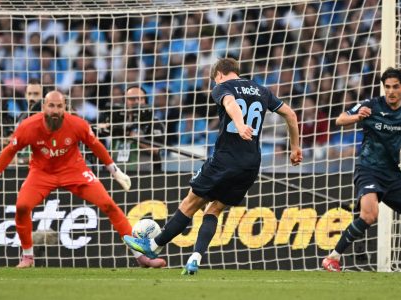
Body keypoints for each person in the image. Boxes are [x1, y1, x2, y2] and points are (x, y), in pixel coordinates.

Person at [122, 58, 302, 275]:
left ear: (219, 74)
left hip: (224, 160)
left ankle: (153, 246)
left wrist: (239, 123)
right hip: (251, 164)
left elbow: (230, 103)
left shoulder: (222, 87)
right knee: (214, 209)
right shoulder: (261, 90)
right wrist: (295, 148)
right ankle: (195, 258)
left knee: (190, 203)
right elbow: (290, 114)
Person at [0, 90, 166, 268]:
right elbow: (9, 152)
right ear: (44, 107)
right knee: (22, 207)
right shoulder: (28, 127)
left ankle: (140, 256)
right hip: (41, 173)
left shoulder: (77, 124)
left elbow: (96, 146)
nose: (55, 110)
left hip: (74, 171)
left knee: (109, 205)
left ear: (65, 107)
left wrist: (116, 172)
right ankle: (27, 256)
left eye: (59, 106)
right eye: (51, 106)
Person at [321, 67, 401, 272]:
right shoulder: (371, 105)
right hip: (368, 168)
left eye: (395, 87)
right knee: (369, 215)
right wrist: (356, 118)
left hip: (393, 173)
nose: (391, 91)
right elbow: (339, 119)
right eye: (387, 87)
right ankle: (332, 257)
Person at [101, 86, 165, 172]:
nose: (137, 102)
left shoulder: (154, 123)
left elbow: (157, 150)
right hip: (117, 173)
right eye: (132, 99)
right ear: (125, 102)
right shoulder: (115, 121)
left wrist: (133, 137)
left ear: (145, 101)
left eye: (140, 99)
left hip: (145, 173)